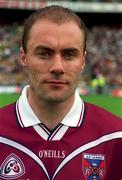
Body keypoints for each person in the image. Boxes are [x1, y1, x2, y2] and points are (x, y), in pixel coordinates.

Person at [0, 5, 122, 180]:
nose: (57, 67)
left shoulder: (115, 137)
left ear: (83, 61)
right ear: (23, 56)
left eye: (69, 54)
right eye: (44, 53)